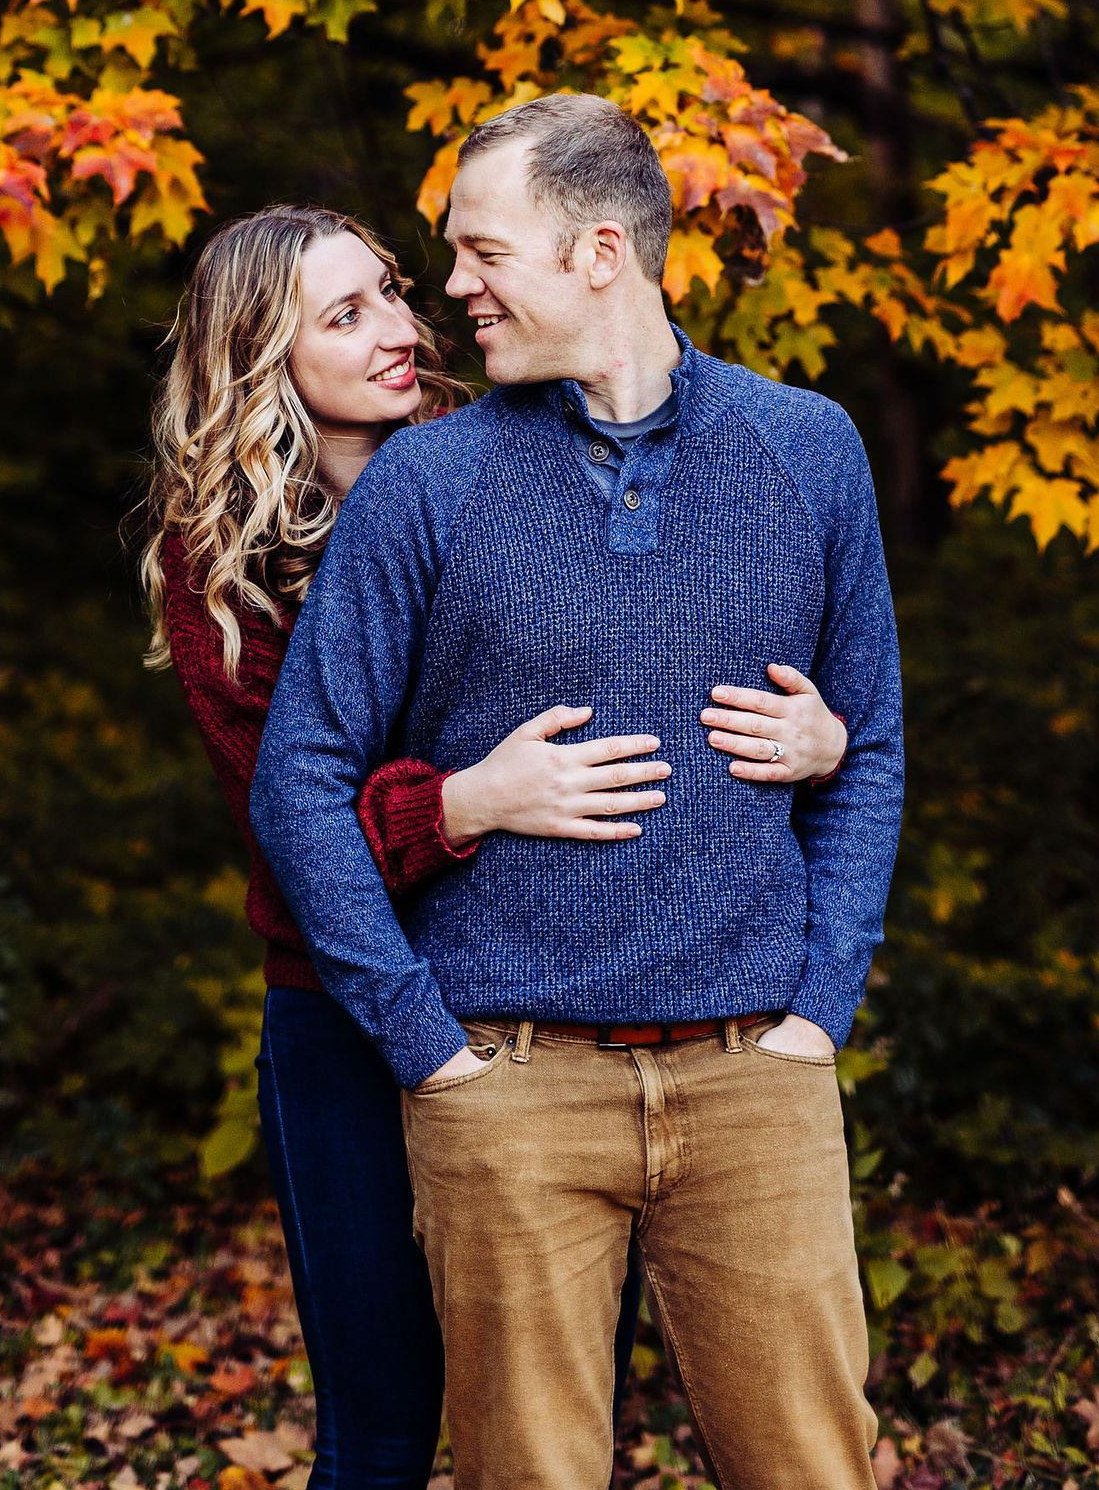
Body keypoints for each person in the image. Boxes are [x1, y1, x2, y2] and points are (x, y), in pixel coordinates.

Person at [249, 95, 907, 1490]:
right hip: (513, 1086)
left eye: (483, 252)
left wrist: (819, 1006)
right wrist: (427, 1047)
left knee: (815, 1468)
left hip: (754, 1079)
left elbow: (873, 744)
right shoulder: (427, 481)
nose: (454, 289)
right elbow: (298, 777)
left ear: (601, 251)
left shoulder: (807, 448)